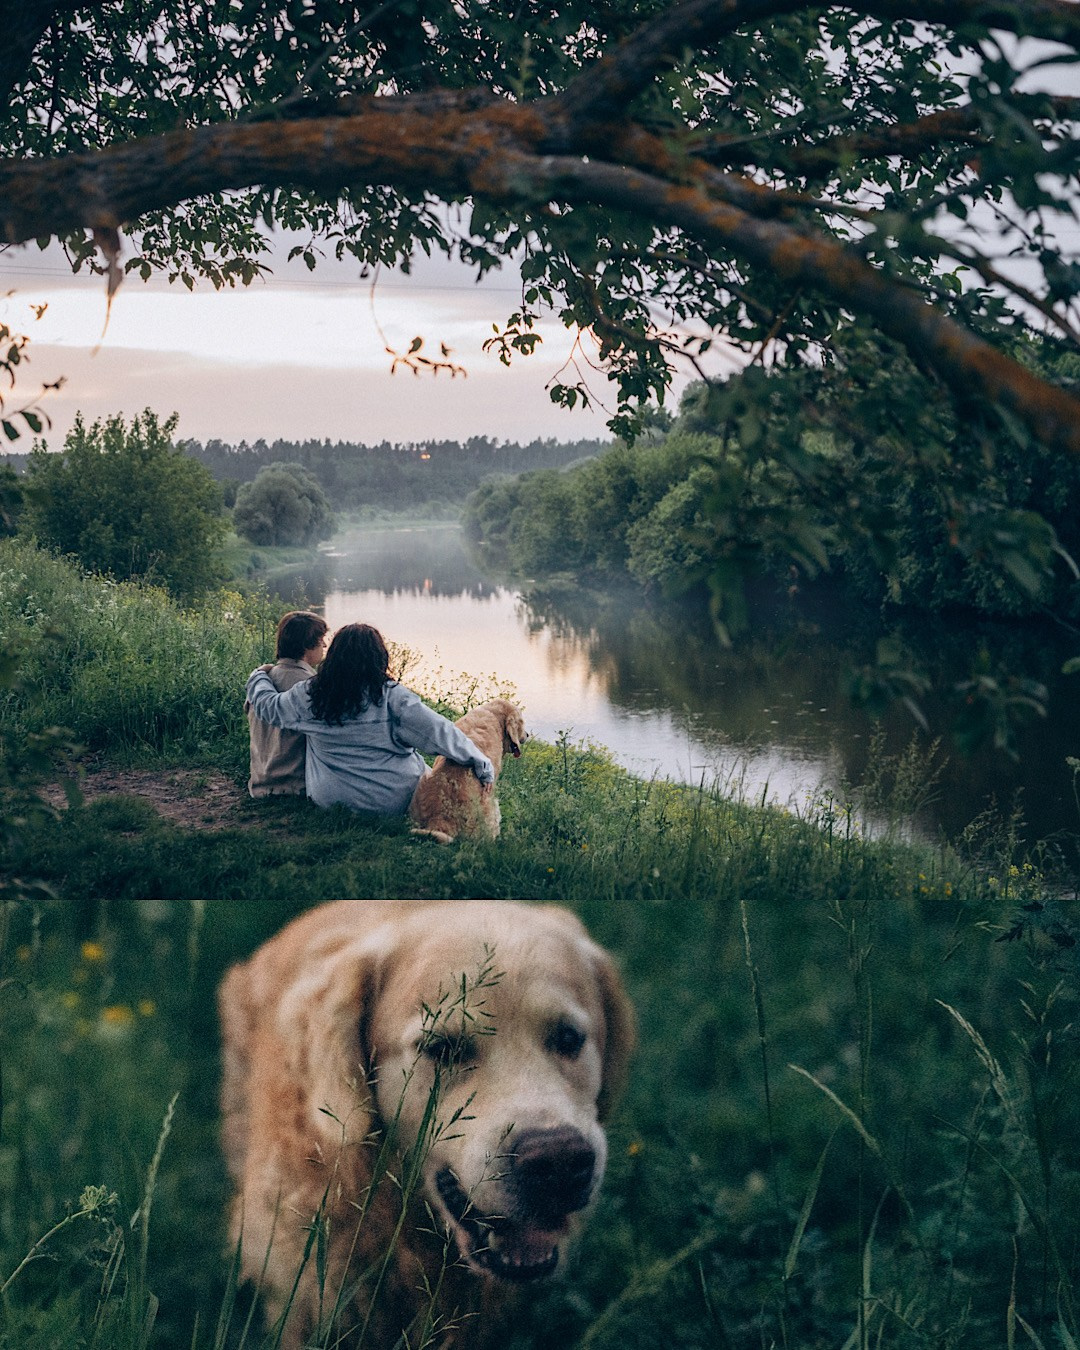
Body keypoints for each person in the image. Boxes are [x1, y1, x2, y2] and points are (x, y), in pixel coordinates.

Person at [245, 622, 495, 815]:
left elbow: (269, 707)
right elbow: (439, 733)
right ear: (378, 658)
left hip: (331, 800)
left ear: (334, 656)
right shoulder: (391, 697)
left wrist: (259, 675)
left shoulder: (312, 695)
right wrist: (481, 762)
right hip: (392, 801)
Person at [246, 610, 329, 798]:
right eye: (321, 639)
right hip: (295, 785)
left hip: (259, 784)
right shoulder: (311, 686)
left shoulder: (262, 680)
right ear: (307, 645)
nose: (325, 645)